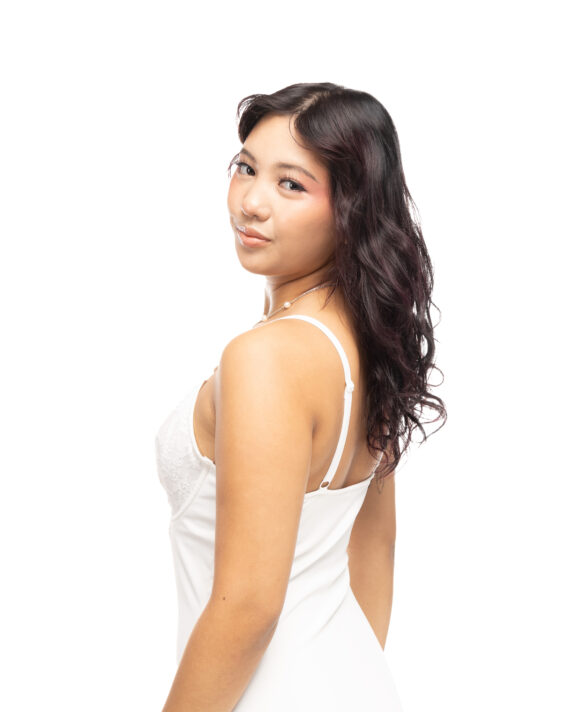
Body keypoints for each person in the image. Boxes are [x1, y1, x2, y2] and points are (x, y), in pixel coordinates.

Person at [154, 82, 446, 711]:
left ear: (352, 208)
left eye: (291, 184)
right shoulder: (367, 342)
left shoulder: (266, 357)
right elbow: (375, 550)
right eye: (246, 168)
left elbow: (248, 606)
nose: (251, 202)